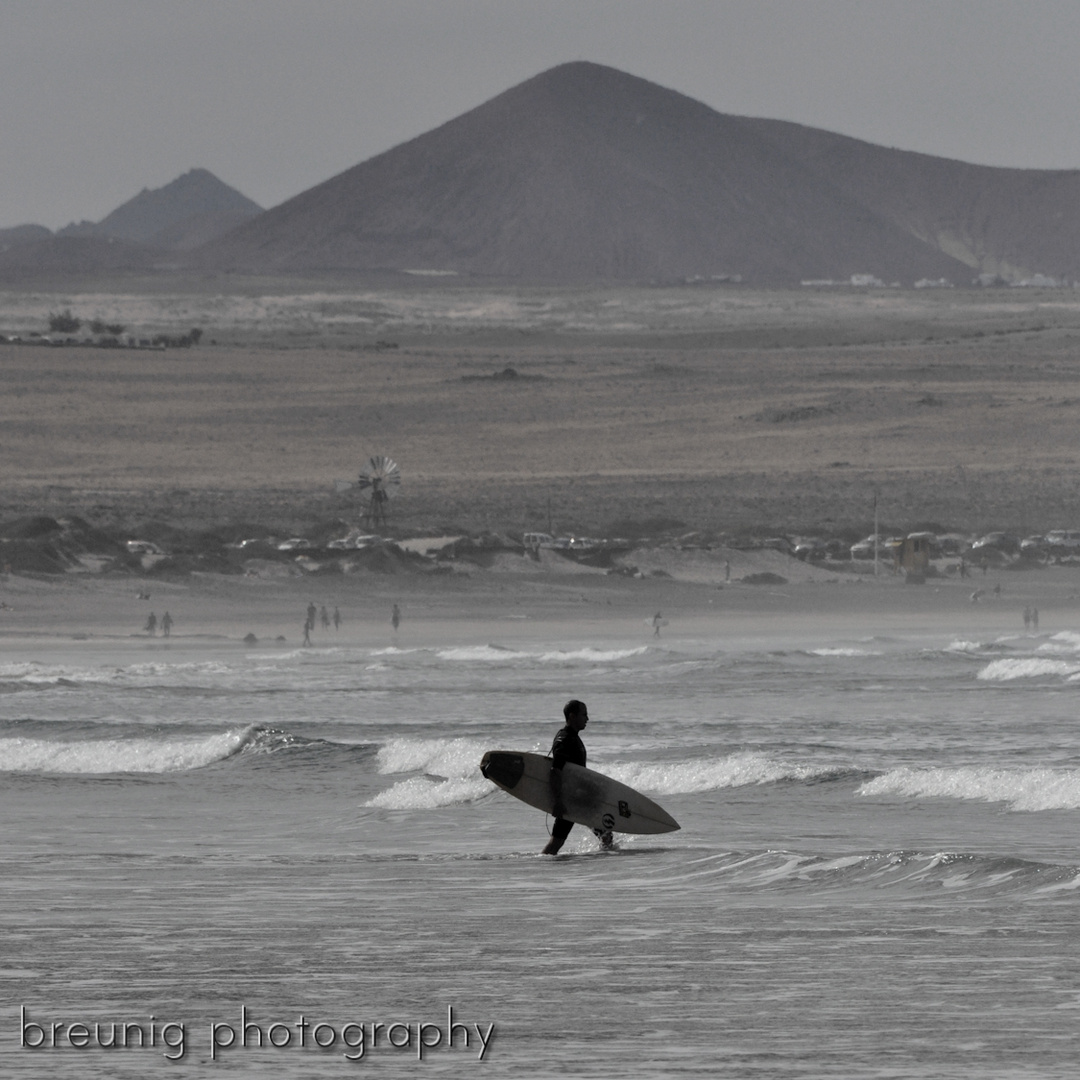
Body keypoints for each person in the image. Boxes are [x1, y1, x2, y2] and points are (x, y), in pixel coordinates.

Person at [542, 700, 613, 855]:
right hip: (571, 801)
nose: (587, 719)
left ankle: (605, 865)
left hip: (579, 800)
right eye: (584, 714)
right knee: (557, 841)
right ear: (572, 716)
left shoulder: (572, 737)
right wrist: (558, 802)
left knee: (605, 836)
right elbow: (555, 771)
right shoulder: (565, 739)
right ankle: (543, 866)